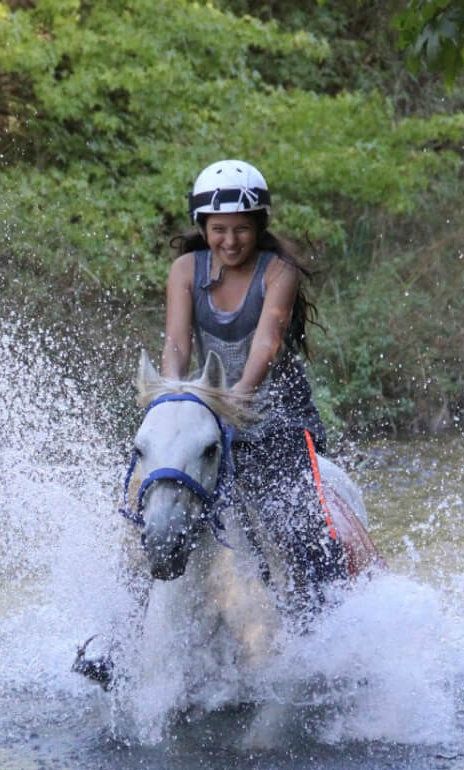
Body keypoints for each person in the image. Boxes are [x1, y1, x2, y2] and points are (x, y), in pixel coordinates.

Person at [160, 158, 348, 620]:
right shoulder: (186, 269)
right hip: (210, 413)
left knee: (300, 526)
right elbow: (176, 344)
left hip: (278, 420)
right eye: (218, 229)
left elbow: (268, 341)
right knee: (153, 508)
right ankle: (120, 638)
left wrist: (238, 397)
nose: (229, 240)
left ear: (259, 225)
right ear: (202, 226)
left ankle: (329, 624)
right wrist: (172, 395)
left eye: (241, 229)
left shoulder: (278, 270)